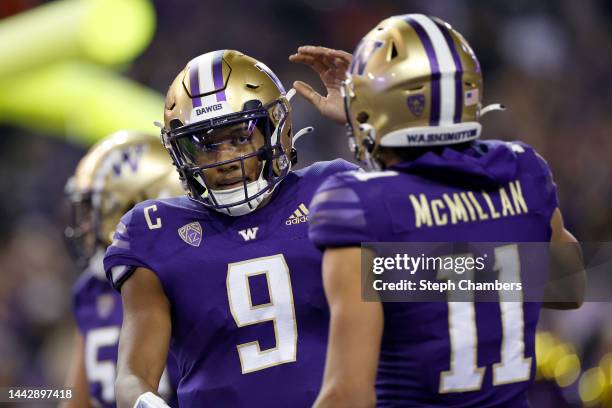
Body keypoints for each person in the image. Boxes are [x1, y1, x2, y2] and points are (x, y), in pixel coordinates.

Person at [308, 14, 585, 407]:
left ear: (377, 111)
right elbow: (570, 287)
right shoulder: (522, 172)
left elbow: (347, 395)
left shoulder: (360, 205)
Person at [102, 50, 357, 408]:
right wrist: (145, 403)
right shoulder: (153, 230)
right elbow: (133, 374)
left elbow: (435, 276)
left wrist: (368, 122)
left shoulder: (331, 190)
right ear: (181, 154)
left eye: (239, 138)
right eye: (206, 145)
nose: (224, 161)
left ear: (276, 128)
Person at [61, 131, 182, 408]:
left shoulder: (180, 275)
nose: (85, 226)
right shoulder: (90, 287)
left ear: (134, 207)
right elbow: (76, 399)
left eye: (95, 210)